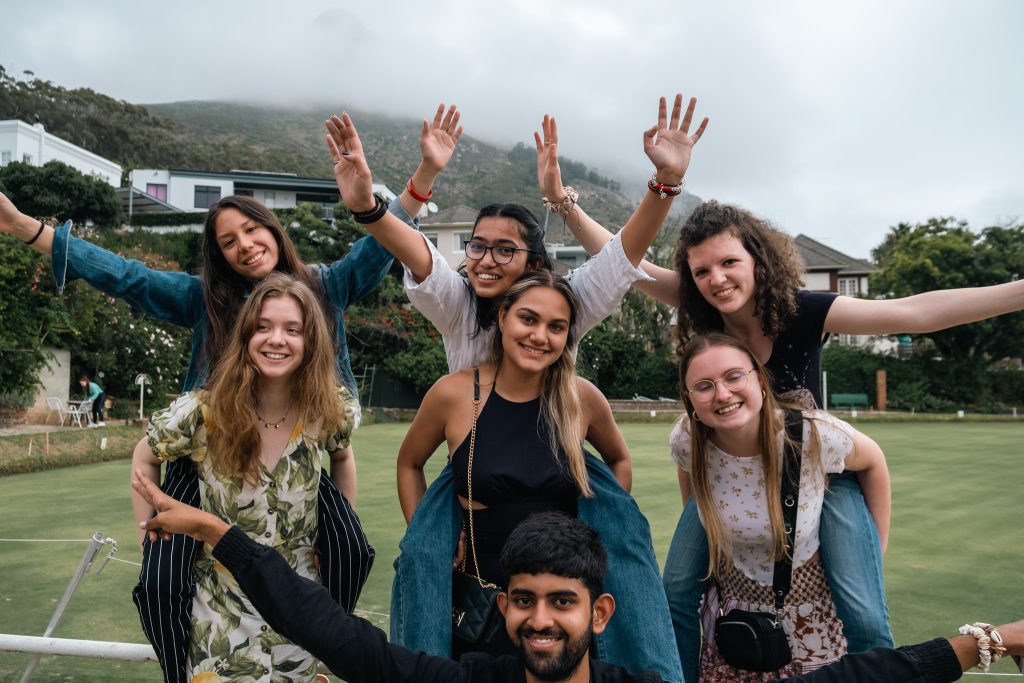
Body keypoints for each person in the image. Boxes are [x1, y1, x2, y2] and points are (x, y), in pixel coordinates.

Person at [0, 112, 456, 680]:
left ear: (274, 230)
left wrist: (423, 174)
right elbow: (126, 276)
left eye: (252, 230)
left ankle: (312, 651)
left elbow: (383, 245)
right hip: (213, 460)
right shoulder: (205, 300)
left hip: (304, 458)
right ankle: (184, 663)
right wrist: (27, 228)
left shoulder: (325, 286)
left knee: (346, 557)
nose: (244, 246)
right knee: (168, 584)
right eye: (228, 242)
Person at [564, 199, 1024, 680]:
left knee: (864, 611)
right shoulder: (705, 306)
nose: (717, 278)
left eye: (729, 263)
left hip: (815, 465)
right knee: (678, 587)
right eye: (703, 271)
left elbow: (914, 312)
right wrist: (566, 205)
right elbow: (625, 262)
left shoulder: (801, 311)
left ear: (757, 261)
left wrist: (1018, 292)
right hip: (727, 466)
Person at [133, 475, 1024, 683]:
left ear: (601, 611)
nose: (538, 620)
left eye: (560, 604)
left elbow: (851, 681)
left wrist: (986, 640)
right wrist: (223, 535)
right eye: (523, 601)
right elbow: (331, 630)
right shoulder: (466, 678)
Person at [394, 271, 680, 681]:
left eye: (556, 327)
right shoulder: (454, 394)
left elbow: (618, 459)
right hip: (484, 601)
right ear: (504, 316)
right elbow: (409, 463)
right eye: (528, 319)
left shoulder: (580, 398)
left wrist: (598, 531)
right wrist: (432, 536)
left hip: (562, 606)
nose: (540, 336)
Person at [324, 93, 708, 373]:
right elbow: (418, 254)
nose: (486, 261)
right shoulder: (460, 305)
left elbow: (622, 254)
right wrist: (367, 208)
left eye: (505, 250)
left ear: (535, 263)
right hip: (474, 473)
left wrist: (666, 180)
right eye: (477, 247)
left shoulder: (566, 302)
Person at [130, 273, 360, 681]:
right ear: (246, 335)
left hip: (299, 601)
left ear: (311, 342)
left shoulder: (329, 408)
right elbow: (145, 456)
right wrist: (148, 534)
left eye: (293, 330)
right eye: (264, 327)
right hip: (221, 608)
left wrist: (338, 530)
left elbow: (342, 457)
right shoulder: (202, 413)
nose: (277, 339)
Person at [676, 332, 890, 680]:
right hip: (743, 608)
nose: (723, 394)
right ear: (690, 399)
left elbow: (873, 461)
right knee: (674, 597)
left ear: (759, 380)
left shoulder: (813, 435)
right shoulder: (688, 440)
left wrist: (876, 551)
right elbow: (690, 473)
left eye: (734, 376)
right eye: (704, 385)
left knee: (867, 621)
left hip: (810, 604)